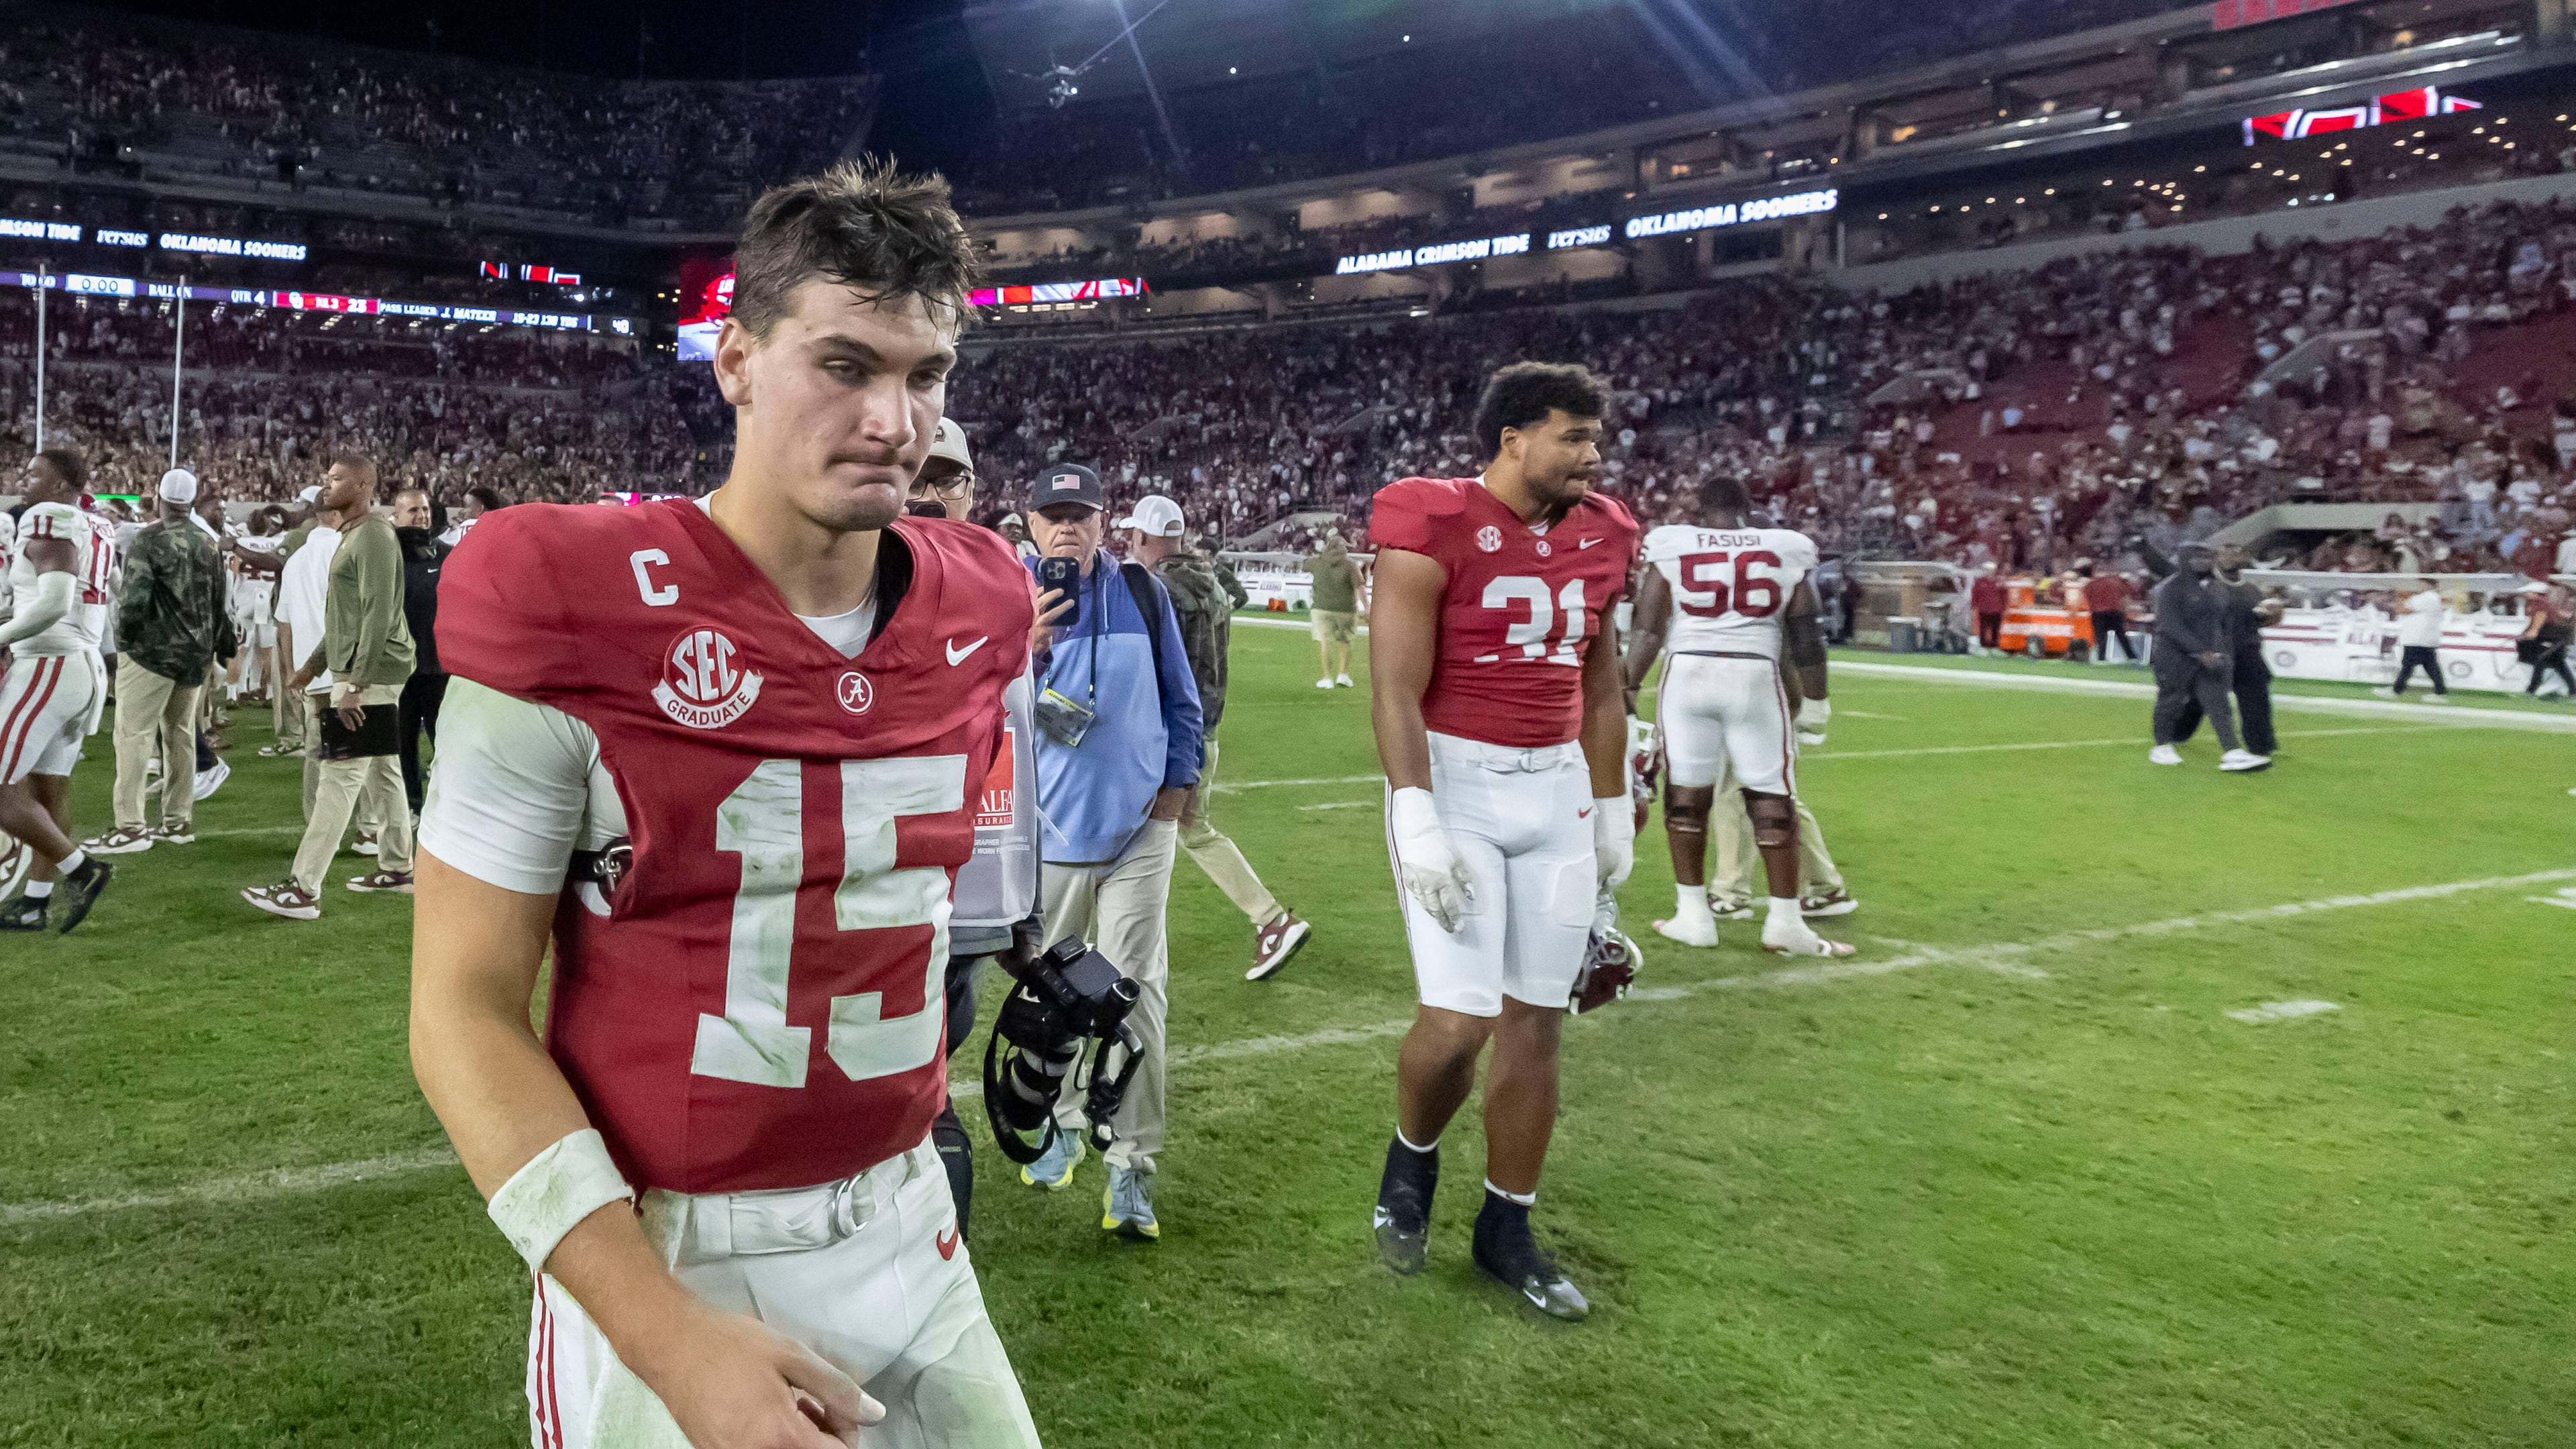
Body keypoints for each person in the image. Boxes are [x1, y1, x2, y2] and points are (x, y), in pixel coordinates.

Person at [409, 160, 1044, 1449]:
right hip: (681, 1244)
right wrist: (664, 1339)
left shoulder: (982, 604)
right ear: (738, 361)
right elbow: (461, 1013)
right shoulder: (573, 609)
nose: (893, 419)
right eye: (846, 364)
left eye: (925, 377)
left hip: (912, 1216)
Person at [1365, 361, 1638, 1322]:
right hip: (1459, 781)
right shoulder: (1429, 517)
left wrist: (1610, 812)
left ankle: (1507, 1227)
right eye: (1574, 436)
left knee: (1537, 1020)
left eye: (1595, 438)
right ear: (1513, 438)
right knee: (1457, 1024)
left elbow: (1603, 686)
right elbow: (1395, 683)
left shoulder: (1607, 532)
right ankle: (1412, 1161)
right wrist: (1415, 811)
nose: (1592, 455)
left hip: (1558, 786)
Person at [1015, 462, 1203, 1244]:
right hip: (1051, 834)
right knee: (1057, 993)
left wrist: (1173, 796)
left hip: (1137, 835)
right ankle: (1060, 1124)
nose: (1067, 527)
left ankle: (1130, 1164)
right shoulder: (1004, 595)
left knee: (1136, 991)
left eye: (1081, 514)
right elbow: (972, 706)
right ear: (1029, 524)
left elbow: (1182, 701)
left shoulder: (1143, 593)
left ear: (1104, 523)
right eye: (1053, 514)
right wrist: (1022, 646)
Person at [904, 416, 1044, 1244]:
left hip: (972, 898)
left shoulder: (1004, 600)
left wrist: (1020, 908)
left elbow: (1015, 756)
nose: (930, 495)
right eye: (917, 476)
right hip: (873, 895)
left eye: (947, 480)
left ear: (971, 491)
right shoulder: (840, 585)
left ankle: (927, 1256)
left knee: (938, 1059)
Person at [1624, 474, 1854, 957]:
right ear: (1747, 508)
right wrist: (1816, 701)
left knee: (1686, 796)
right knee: (1772, 797)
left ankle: (1693, 917)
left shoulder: (1673, 543)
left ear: (1699, 509)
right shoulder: (1784, 547)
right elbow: (1807, 634)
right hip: (1754, 674)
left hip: (1688, 673)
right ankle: (1786, 922)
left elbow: (1648, 627)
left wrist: (1627, 685)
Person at [1119, 492, 1312, 981]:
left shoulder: (1157, 587)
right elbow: (1238, 596)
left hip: (1170, 733)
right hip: (1206, 725)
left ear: (1142, 537)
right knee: (1178, 832)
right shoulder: (1211, 577)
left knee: (1168, 832)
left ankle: (1270, 920)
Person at [244, 454, 417, 917]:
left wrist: (356, 682)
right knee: (383, 770)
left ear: (363, 485)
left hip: (371, 673)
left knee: (340, 776)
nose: (327, 484)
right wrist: (310, 667)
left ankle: (304, 889)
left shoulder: (375, 537)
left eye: (337, 478)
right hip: (366, 670)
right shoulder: (354, 535)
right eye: (326, 478)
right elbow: (345, 619)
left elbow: (378, 614)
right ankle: (399, 867)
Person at [0, 448, 118, 933]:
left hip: (50, 663)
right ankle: (34, 902)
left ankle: (82, 870)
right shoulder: (96, 523)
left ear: (60, 487)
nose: (23, 479)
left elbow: (53, 603)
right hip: (80, 667)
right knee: (49, 788)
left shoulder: (48, 517)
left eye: (34, 473)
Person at [90, 468, 225, 855]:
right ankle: (178, 821)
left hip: (152, 653)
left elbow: (133, 601)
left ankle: (131, 827)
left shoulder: (148, 540)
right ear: (193, 501)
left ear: (159, 497)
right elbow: (219, 602)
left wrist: (125, 640)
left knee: (133, 736)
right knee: (180, 735)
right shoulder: (209, 542)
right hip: (195, 655)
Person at [2148, 542, 2269, 771]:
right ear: (2185, 559)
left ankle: (2232, 751)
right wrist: (2199, 651)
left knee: (2219, 704)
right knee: (2171, 700)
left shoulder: (2217, 589)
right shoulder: (2171, 588)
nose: (2203, 561)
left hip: (2210, 658)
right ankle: (2162, 746)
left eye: (2207, 556)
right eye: (2197, 556)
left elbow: (2223, 626)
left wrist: (2223, 654)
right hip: (2174, 656)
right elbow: (2170, 626)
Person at [2170, 543, 2280, 757]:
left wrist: (2270, 617)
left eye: (2236, 553)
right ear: (2217, 558)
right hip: (2217, 650)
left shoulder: (2251, 590)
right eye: (2226, 553)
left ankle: (2262, 746)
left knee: (2256, 695)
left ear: (2243, 558)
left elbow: (2255, 622)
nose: (2231, 557)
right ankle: (2176, 732)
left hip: (2248, 649)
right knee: (2199, 698)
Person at [390, 487, 451, 816]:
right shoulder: (388, 555)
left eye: (425, 509)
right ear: (397, 516)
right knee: (403, 745)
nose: (422, 516)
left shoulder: (448, 554)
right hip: (400, 668)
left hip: (440, 668)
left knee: (446, 743)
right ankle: (412, 807)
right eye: (413, 511)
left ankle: (447, 807)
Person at [1305, 533, 1366, 688]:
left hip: (1321, 608)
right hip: (1346, 609)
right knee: (1346, 641)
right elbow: (1359, 586)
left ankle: (1327, 678)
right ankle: (1343, 675)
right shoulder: (1350, 564)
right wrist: (1368, 606)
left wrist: (1315, 552)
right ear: (1343, 547)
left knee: (1325, 642)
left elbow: (1304, 564)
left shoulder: (1318, 562)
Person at [2376, 578, 2453, 702]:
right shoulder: (2424, 597)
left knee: (2409, 665)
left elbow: (2402, 609)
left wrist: (2399, 595)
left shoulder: (2429, 597)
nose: (2419, 586)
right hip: (2420, 638)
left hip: (2420, 638)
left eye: (2422, 583)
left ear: (2429, 585)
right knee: (2429, 666)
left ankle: (2397, 690)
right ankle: (2440, 692)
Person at [2521, 582, 2574, 698]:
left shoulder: (2540, 606)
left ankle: (2532, 690)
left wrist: (2527, 636)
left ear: (2536, 593)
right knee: (2558, 664)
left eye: (2529, 592)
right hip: (2559, 639)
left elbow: (2537, 626)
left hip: (2555, 639)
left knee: (2541, 660)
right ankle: (2573, 691)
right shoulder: (2541, 605)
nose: (2526, 594)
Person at [2086, 564, 2137, 663]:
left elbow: (2088, 598)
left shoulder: (2092, 584)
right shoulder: (2116, 582)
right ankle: (2132, 657)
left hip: (2099, 613)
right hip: (2116, 612)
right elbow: (2124, 597)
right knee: (2122, 636)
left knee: (2100, 637)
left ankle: (2101, 658)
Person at [439, 484, 500, 549]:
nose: (462, 512)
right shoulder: (502, 528)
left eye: (466, 507)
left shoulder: (469, 528)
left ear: (480, 509)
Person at [1969, 564, 2006, 653]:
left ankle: (1995, 647)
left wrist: (2004, 608)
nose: (1989, 572)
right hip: (1984, 609)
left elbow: (2004, 596)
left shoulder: (1999, 582)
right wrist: (1974, 607)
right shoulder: (1980, 582)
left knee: (1995, 629)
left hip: (1996, 610)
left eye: (1991, 570)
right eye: (1987, 570)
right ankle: (1983, 647)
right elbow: (1975, 596)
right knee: (1983, 629)